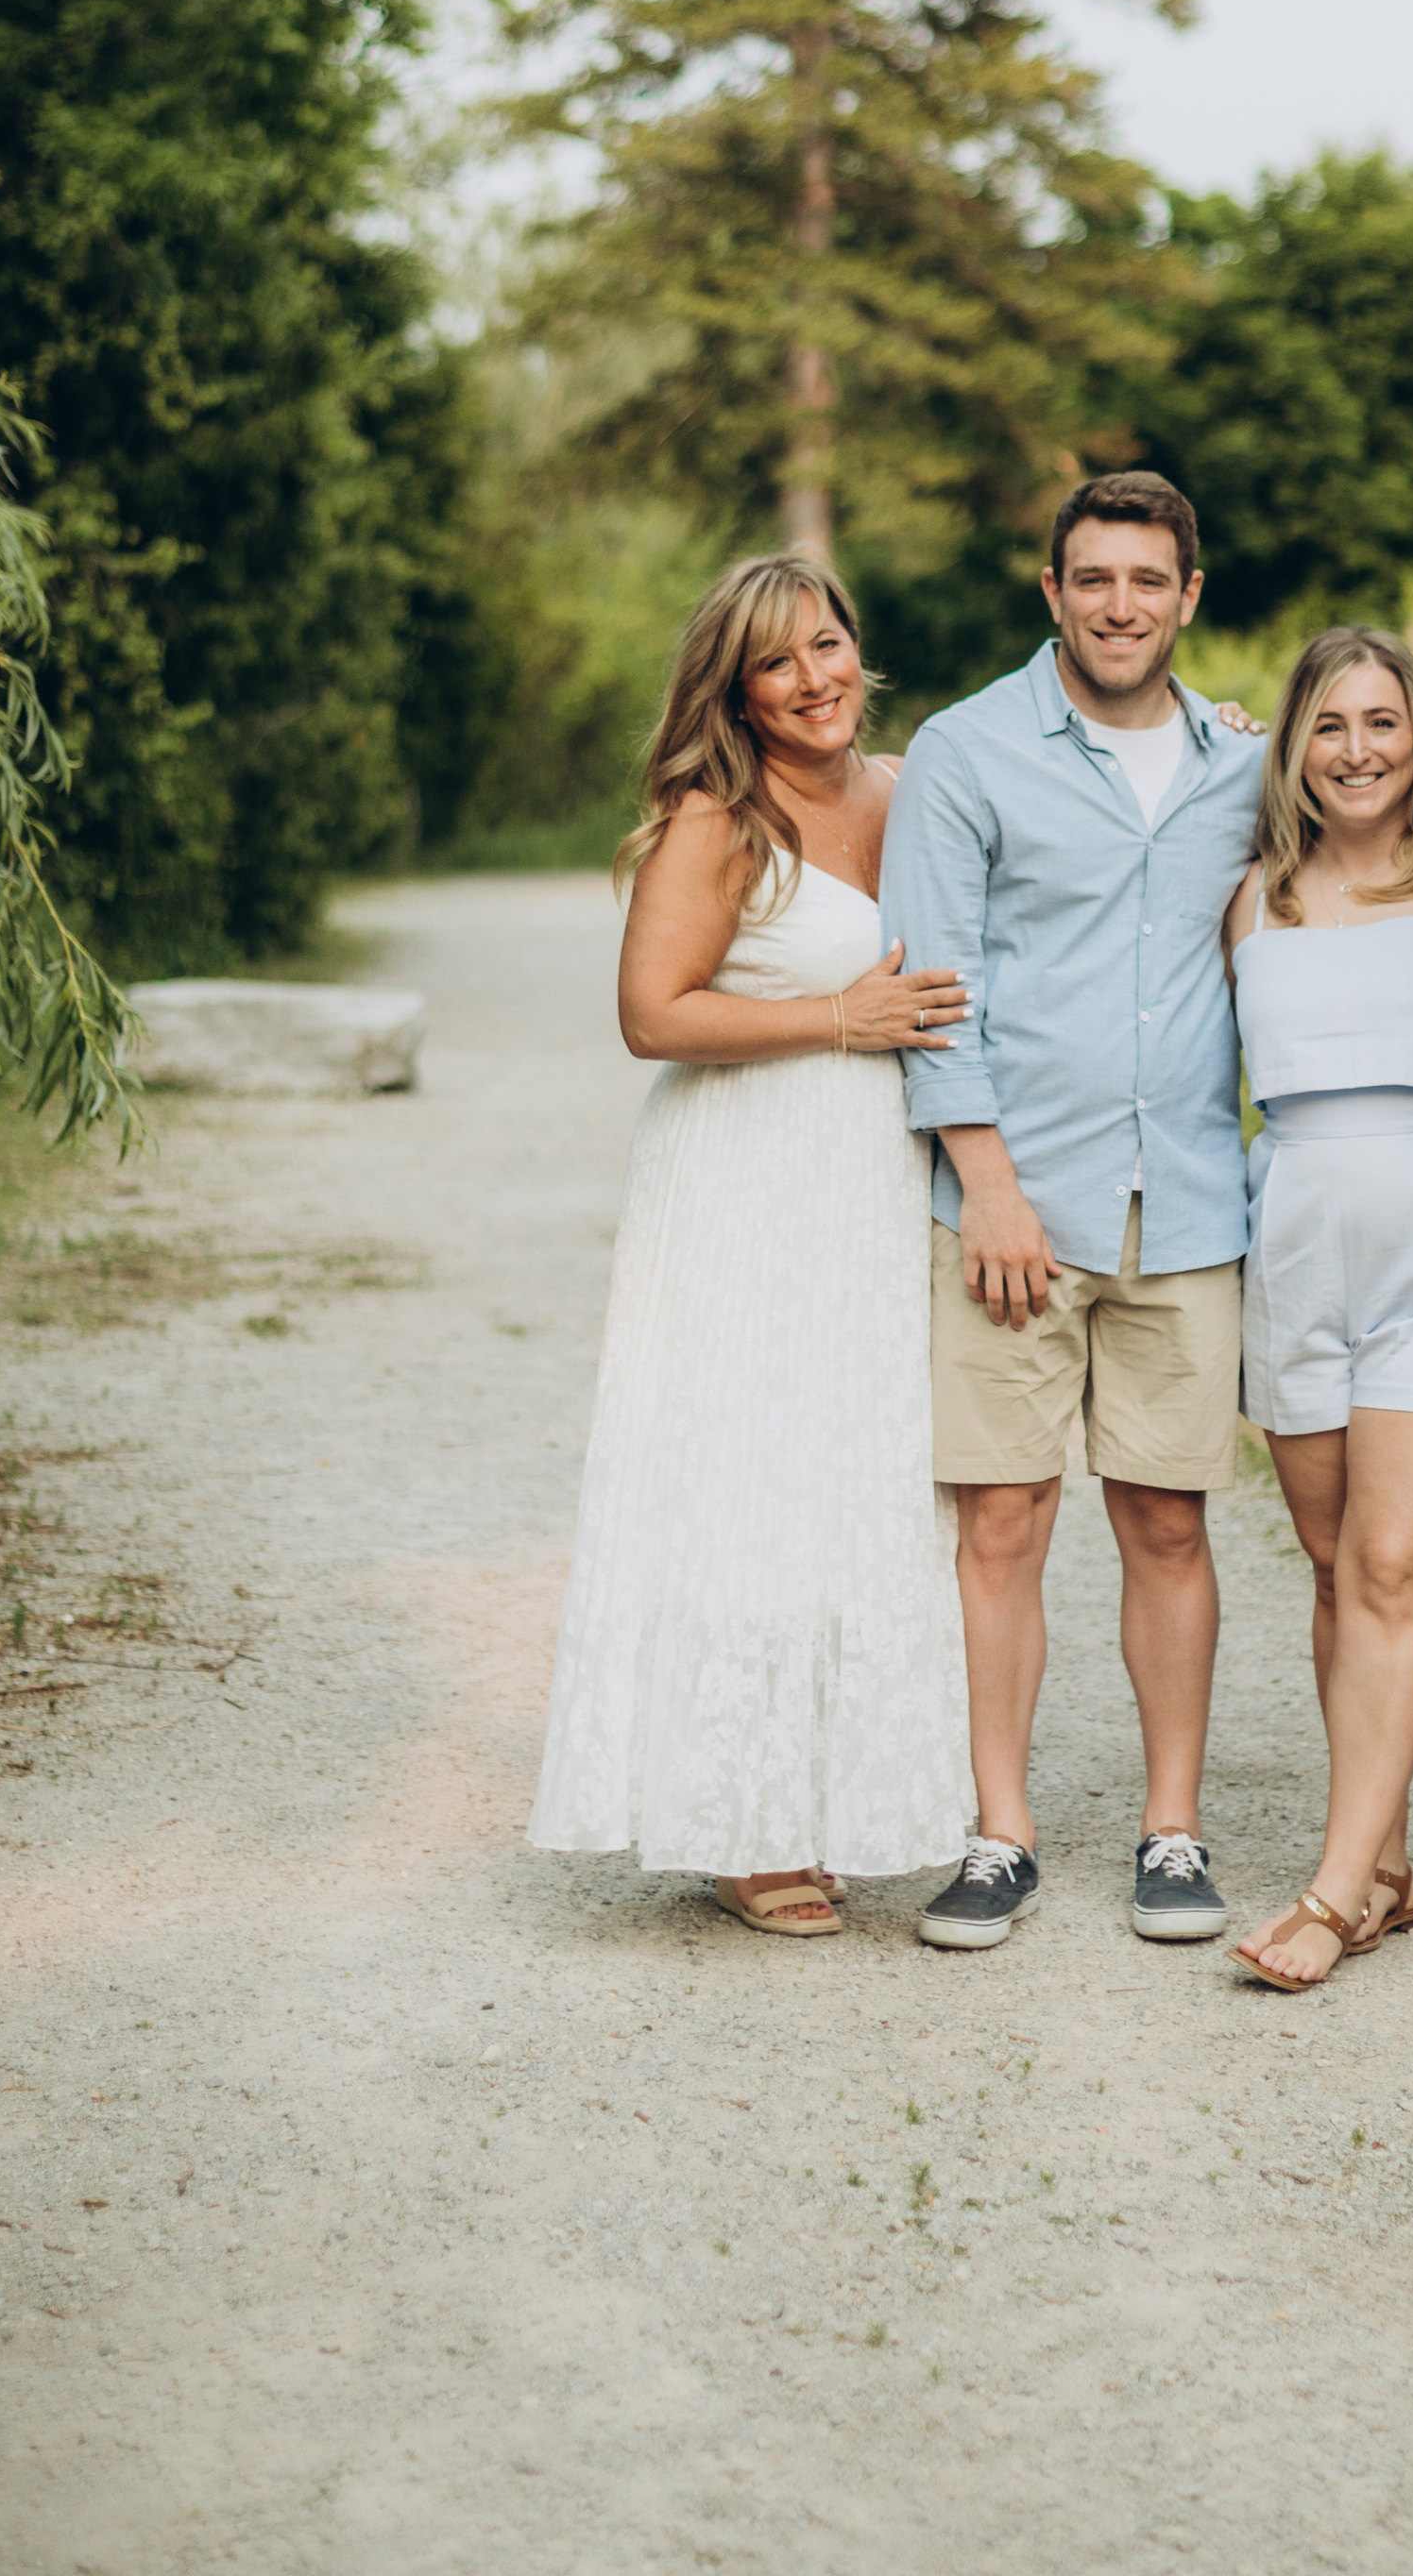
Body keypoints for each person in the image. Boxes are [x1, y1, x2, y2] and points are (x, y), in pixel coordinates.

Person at [527, 554, 974, 1931]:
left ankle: (816, 1791)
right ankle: (736, 1818)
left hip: (868, 1185)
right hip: (739, 1183)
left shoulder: (911, 791)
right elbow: (652, 1013)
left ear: (859, 647)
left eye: (827, 644)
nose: (813, 679)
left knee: (854, 1479)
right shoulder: (716, 819)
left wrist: (1223, 746)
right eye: (777, 663)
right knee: (744, 1477)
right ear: (738, 689)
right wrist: (842, 1020)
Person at [879, 471, 1264, 1950]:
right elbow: (935, 985)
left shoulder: (1246, 759)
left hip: (1186, 1208)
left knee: (1168, 1521)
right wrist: (986, 1184)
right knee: (1004, 1519)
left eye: (1147, 580)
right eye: (1092, 578)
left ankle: (1173, 1832)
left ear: (1189, 597)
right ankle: (1001, 1834)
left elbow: (1369, 851)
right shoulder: (966, 753)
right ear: (1052, 593)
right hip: (1011, 1209)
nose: (1120, 605)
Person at [1224, 628, 1413, 1995]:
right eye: (1330, 725)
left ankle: (1335, 1891)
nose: (1357, 750)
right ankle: (1389, 1862)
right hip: (1292, 1239)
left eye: (1384, 723)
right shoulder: (1253, 898)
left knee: (1395, 1567)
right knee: (1335, 1561)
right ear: (1295, 744)